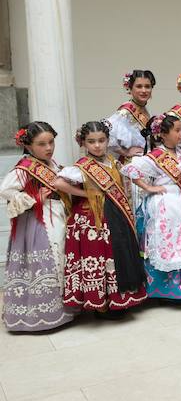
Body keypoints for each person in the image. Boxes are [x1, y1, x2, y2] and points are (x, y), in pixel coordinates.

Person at [55, 121, 147, 317]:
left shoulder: (113, 162)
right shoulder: (82, 166)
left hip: (114, 214)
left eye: (101, 140)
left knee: (116, 255)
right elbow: (59, 183)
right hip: (92, 220)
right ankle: (101, 304)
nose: (97, 145)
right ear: (83, 143)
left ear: (107, 141)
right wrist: (86, 195)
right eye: (91, 141)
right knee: (99, 258)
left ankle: (119, 300)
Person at [123, 114, 181, 301]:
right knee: (168, 243)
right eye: (177, 130)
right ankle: (166, 289)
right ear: (163, 134)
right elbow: (130, 170)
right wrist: (149, 187)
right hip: (165, 204)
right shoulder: (156, 156)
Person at [1, 122, 76, 331]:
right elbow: (5, 190)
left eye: (51, 142)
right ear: (29, 145)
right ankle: (41, 314)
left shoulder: (51, 163)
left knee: (60, 258)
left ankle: (65, 310)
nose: (49, 148)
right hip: (38, 220)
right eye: (41, 144)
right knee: (45, 263)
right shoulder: (24, 167)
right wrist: (32, 197)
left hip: (57, 213)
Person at [108, 70, 154, 163]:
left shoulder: (143, 108)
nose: (144, 90)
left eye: (147, 86)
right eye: (139, 86)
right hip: (132, 164)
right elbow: (107, 134)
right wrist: (125, 152)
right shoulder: (126, 111)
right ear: (130, 88)